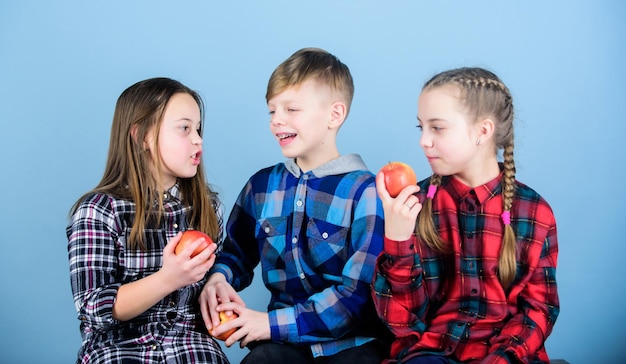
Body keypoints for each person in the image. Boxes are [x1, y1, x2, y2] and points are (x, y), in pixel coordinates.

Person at [199, 47, 391, 364]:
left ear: (335, 115)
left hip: (355, 343)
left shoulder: (366, 193)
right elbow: (234, 253)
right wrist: (219, 278)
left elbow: (359, 297)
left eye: (291, 109)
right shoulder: (261, 187)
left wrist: (267, 324)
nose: (277, 121)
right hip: (283, 344)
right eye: (272, 111)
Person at [372, 67, 560, 364]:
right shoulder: (413, 206)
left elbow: (539, 309)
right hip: (431, 352)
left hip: (507, 353)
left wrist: (502, 358)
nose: (424, 140)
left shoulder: (534, 212)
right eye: (421, 128)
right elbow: (402, 322)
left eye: (438, 128)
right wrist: (397, 241)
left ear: (482, 132)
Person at [66, 77, 229, 364]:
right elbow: (92, 306)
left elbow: (212, 281)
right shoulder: (99, 211)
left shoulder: (206, 207)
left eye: (199, 128)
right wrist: (167, 279)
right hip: (118, 349)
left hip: (191, 349)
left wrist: (218, 291)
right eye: (184, 128)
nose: (198, 139)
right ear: (143, 136)